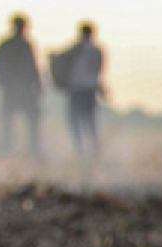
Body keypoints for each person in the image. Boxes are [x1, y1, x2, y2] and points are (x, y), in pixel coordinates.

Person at [0, 14, 42, 158]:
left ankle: (20, 149)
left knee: (12, 119)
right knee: (24, 120)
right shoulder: (21, 45)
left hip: (15, 88)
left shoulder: (7, 45)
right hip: (20, 88)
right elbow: (33, 67)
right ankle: (26, 149)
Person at [55, 22, 105, 156]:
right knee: (90, 121)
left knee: (75, 121)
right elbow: (99, 72)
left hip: (76, 90)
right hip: (90, 91)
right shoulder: (97, 51)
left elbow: (60, 60)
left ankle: (80, 150)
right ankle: (95, 149)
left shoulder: (75, 49)